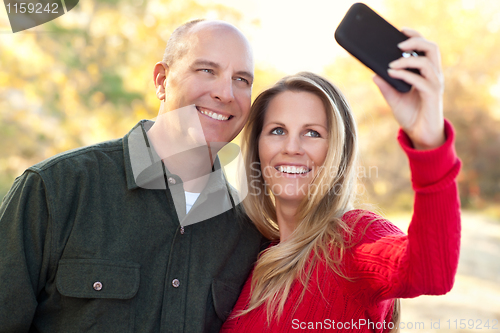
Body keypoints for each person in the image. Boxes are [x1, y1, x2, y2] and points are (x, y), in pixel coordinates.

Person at [0, 20, 264, 332]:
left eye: (241, 79)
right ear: (162, 80)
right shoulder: (55, 190)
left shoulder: (252, 233)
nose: (225, 93)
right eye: (206, 70)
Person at [221, 29, 461, 333]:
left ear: (338, 150)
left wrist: (429, 143)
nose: (292, 147)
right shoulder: (252, 256)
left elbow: (432, 272)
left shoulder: (355, 238)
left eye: (313, 133)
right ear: (257, 147)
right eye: (278, 131)